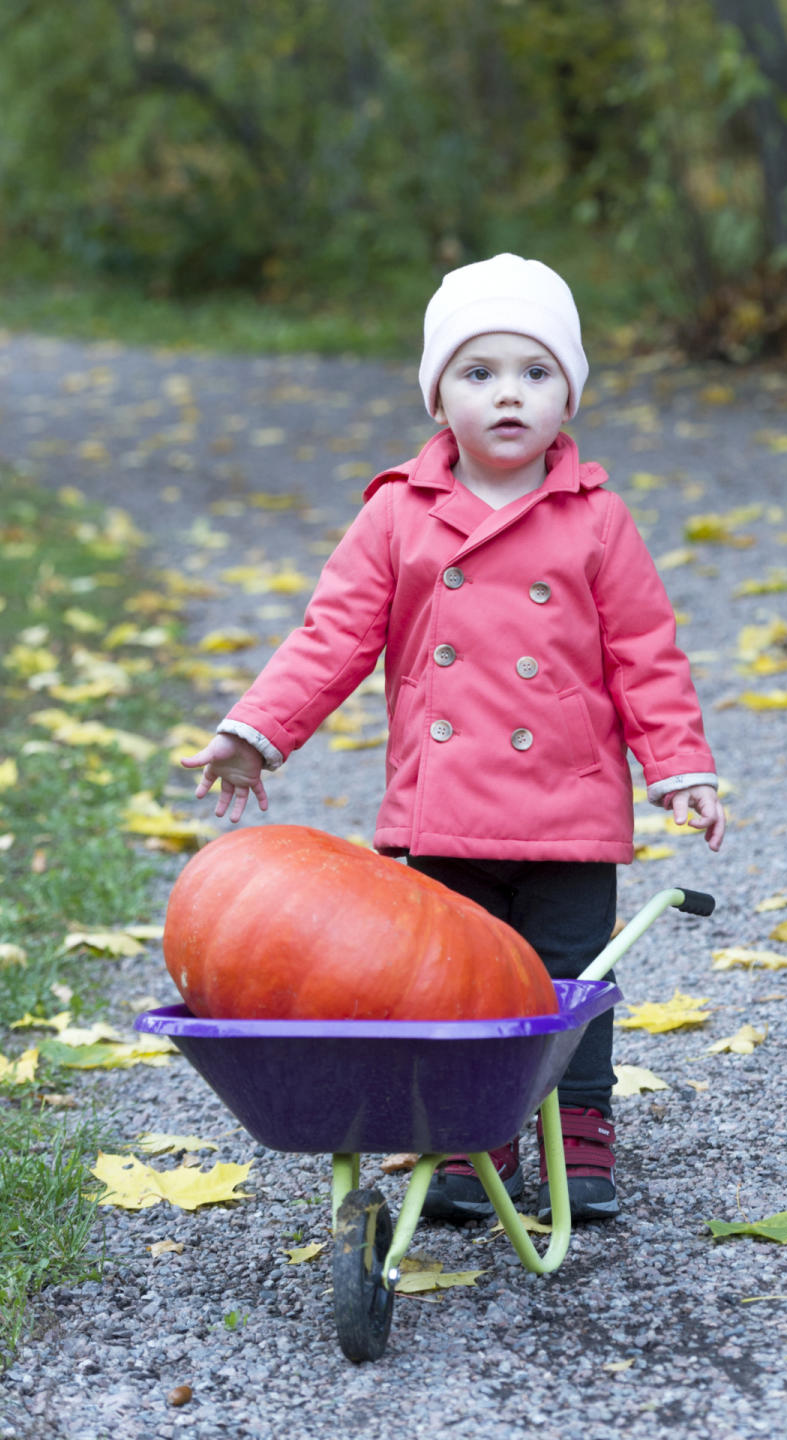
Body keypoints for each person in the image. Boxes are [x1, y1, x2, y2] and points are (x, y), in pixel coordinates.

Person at [182, 253, 726, 1224]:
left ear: (570, 394)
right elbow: (333, 636)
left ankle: (583, 1118)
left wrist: (676, 765)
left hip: (568, 810)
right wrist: (257, 732)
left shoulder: (597, 521)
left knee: (569, 983)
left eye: (535, 372)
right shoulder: (400, 512)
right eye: (479, 374)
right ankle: (472, 1133)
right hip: (445, 811)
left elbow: (646, 651)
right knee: (450, 986)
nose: (508, 395)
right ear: (440, 398)